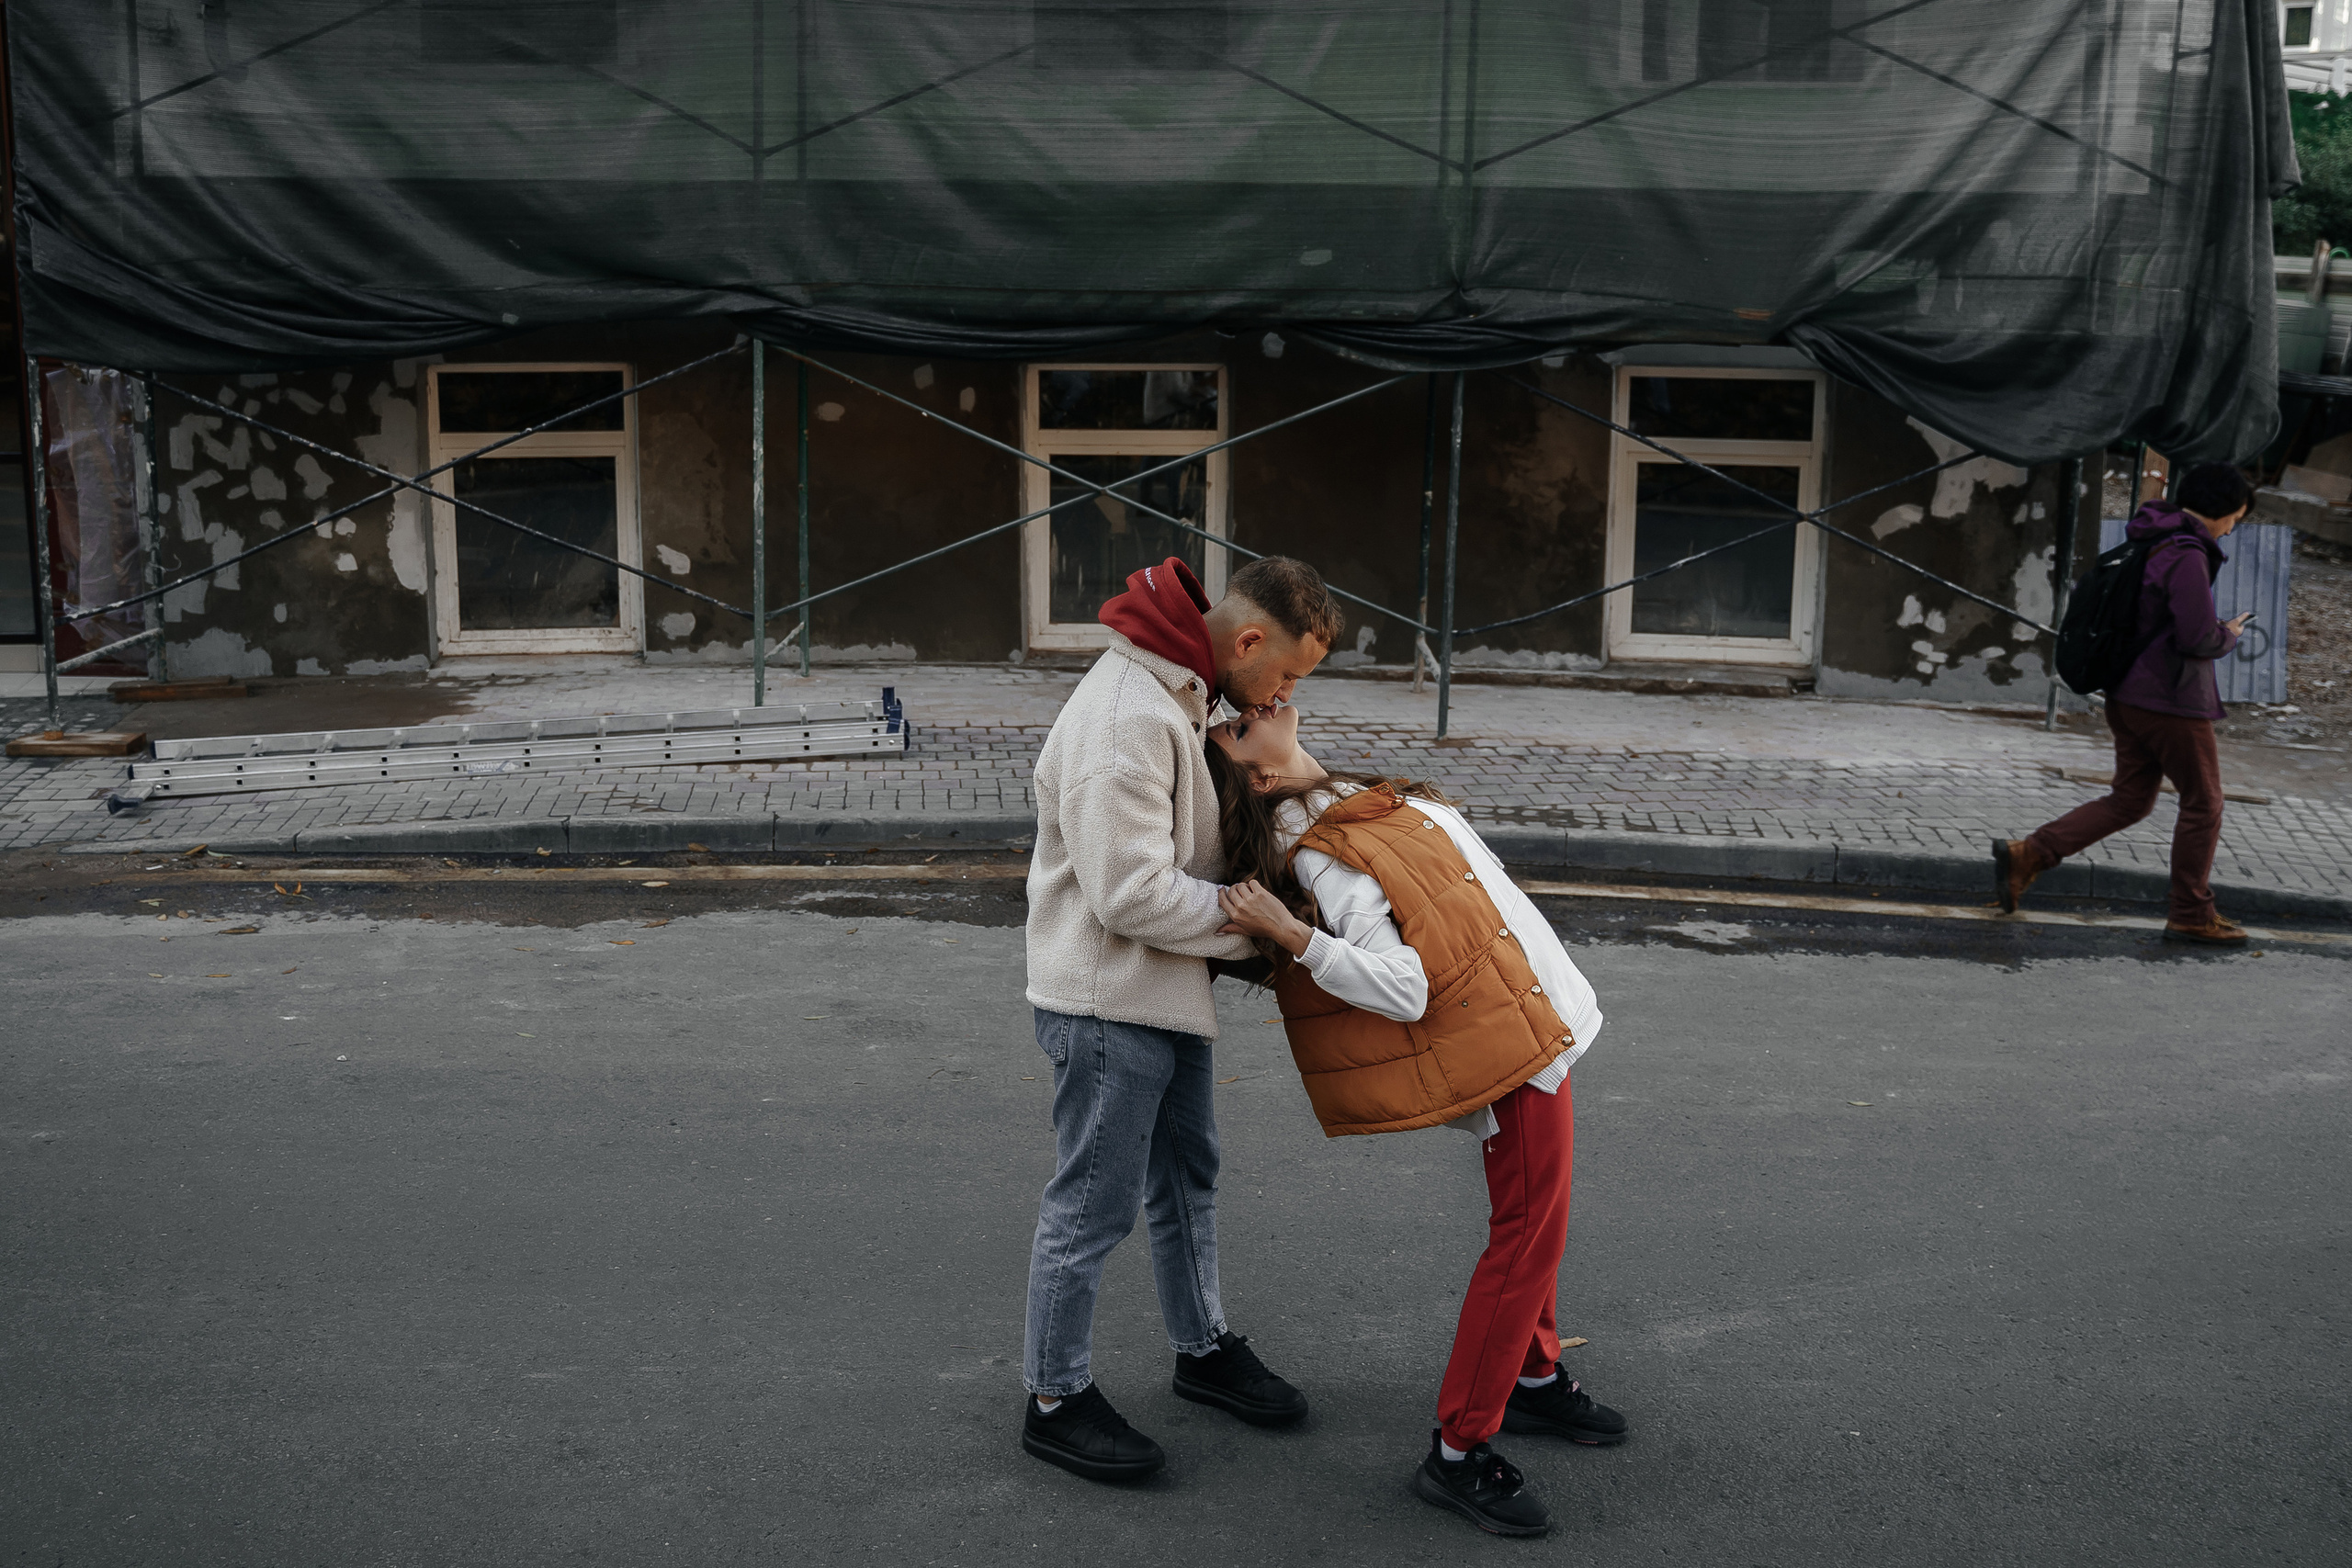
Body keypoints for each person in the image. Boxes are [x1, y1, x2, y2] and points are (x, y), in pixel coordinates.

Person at [1204, 701, 1629, 1539]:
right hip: (1512, 1051)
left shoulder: (1340, 797)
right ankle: (1458, 1448)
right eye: (1236, 721)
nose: (1261, 704)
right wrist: (1292, 934)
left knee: (1535, 1225)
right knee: (1526, 1237)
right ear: (1256, 772)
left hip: (1530, 1013)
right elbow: (1402, 985)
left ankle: (1535, 1378)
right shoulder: (1321, 849)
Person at [1020, 553, 1343, 1483]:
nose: (1282, 694)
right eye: (1283, 674)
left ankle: (1202, 1350)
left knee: (1186, 1176)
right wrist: (1263, 935)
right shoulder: (1127, 714)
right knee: (1092, 1204)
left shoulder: (1182, 692)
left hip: (1160, 991)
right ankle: (1053, 1397)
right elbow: (1128, 893)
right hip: (1106, 998)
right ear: (1246, 641)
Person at [1996, 461, 2257, 945]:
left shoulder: (2152, 536)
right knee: (2204, 803)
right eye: (2235, 517)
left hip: (2127, 693)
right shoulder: (2186, 553)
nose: (2232, 527)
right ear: (2221, 510)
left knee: (2131, 799)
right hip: (2170, 700)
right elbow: (2196, 636)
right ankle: (2191, 914)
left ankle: (2030, 854)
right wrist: (2229, 635)